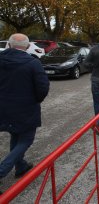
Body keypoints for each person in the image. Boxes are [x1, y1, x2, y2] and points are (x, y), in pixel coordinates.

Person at [0, 33, 50, 180]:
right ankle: (2, 171)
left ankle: (20, 166)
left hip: (3, 108)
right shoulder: (33, 63)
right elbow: (43, 87)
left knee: (16, 134)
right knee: (26, 139)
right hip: (25, 109)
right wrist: (35, 100)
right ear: (28, 47)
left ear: (8, 45)